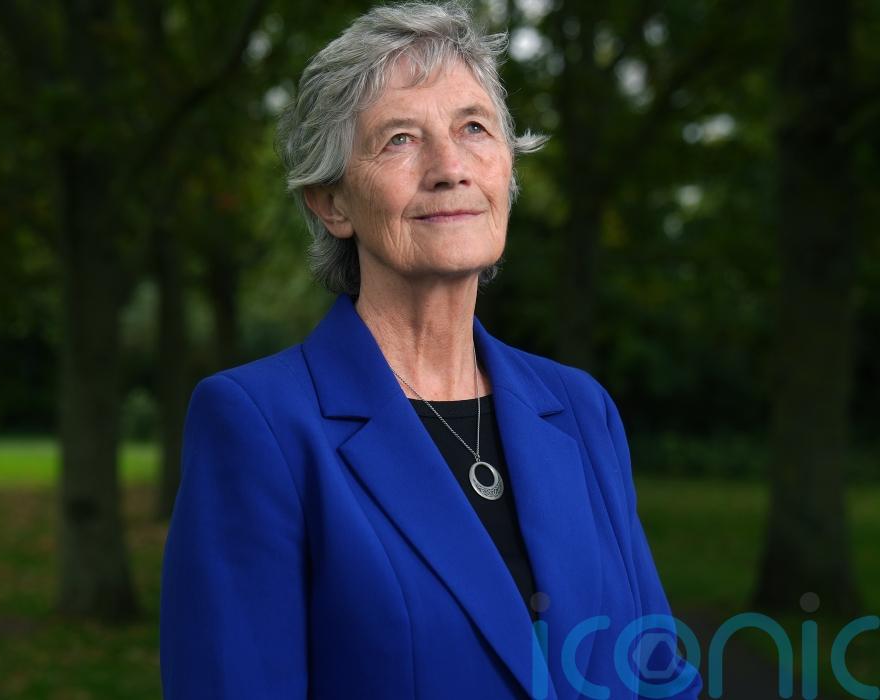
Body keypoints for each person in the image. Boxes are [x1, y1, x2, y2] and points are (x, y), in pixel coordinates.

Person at [159, 2, 703, 698]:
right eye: (399, 140)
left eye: (473, 128)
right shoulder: (258, 425)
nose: (450, 167)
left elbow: (656, 674)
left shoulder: (581, 409)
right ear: (332, 203)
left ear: (507, 167)